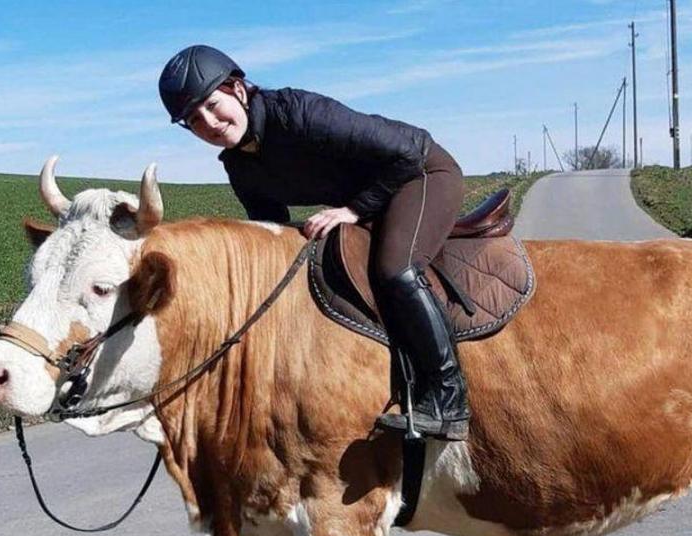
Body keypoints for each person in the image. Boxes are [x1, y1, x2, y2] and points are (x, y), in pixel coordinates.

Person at [158, 44, 469, 440]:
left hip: (421, 173)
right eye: (193, 120)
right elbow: (270, 231)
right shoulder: (239, 165)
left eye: (212, 105)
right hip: (374, 196)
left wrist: (353, 210)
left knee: (396, 270)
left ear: (237, 89)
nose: (209, 123)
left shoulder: (299, 112)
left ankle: (449, 399)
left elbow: (407, 154)